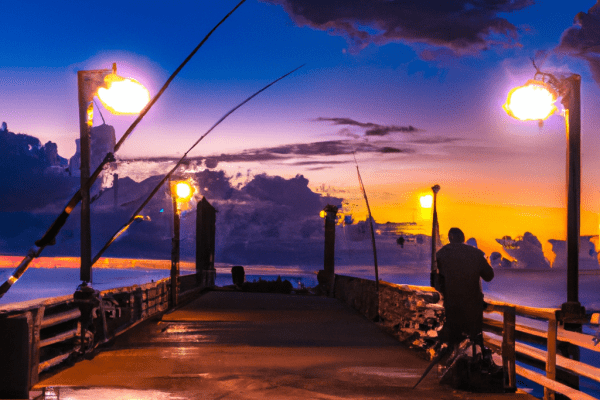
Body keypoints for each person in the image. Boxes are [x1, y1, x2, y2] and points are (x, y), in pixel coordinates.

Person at [436, 227, 494, 345]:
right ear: (463, 238)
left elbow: (436, 282)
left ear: (450, 238)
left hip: (452, 306)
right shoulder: (476, 254)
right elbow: (489, 276)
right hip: (473, 306)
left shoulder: (441, 254)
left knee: (454, 341)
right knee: (474, 341)